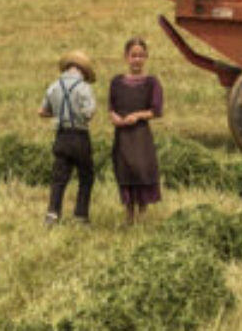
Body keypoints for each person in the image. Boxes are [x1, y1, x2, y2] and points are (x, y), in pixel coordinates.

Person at [109, 36, 163, 224]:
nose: (137, 60)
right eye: (133, 55)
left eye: (141, 55)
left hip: (140, 135)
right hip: (123, 135)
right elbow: (111, 107)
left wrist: (138, 115)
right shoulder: (116, 82)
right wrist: (114, 117)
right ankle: (129, 213)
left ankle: (142, 212)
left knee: (142, 170)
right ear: (126, 57)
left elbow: (156, 110)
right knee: (125, 171)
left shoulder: (152, 82)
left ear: (146, 57)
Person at [39, 50, 97, 226]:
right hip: (79, 135)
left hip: (61, 135)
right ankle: (80, 215)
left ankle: (53, 214)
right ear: (83, 70)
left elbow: (42, 111)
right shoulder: (84, 88)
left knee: (59, 177)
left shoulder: (53, 86)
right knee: (86, 176)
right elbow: (89, 113)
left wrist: (59, 114)